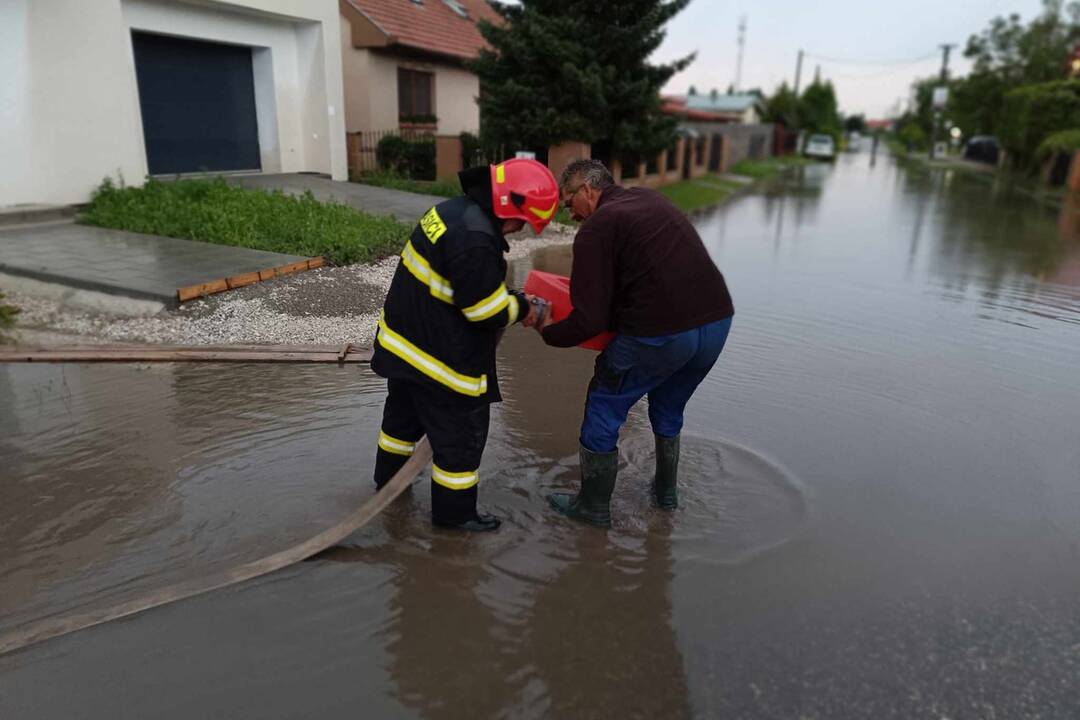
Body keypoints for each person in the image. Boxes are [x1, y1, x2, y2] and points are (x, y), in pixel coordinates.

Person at [533, 159, 734, 527]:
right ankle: (666, 495)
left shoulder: (596, 229)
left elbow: (588, 319)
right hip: (716, 323)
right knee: (668, 407)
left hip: (664, 333)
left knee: (605, 404)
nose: (569, 213)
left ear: (587, 191)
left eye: (567, 202)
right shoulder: (650, 200)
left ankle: (592, 509)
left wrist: (548, 331)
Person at [371, 158, 559, 532]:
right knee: (460, 444)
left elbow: (458, 286)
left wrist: (503, 294)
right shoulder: (476, 240)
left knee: (399, 425)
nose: (520, 230)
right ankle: (455, 520)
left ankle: (388, 486)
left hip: (402, 349)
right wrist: (524, 306)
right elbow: (483, 311)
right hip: (440, 364)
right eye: (522, 222)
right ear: (510, 206)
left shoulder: (449, 212)